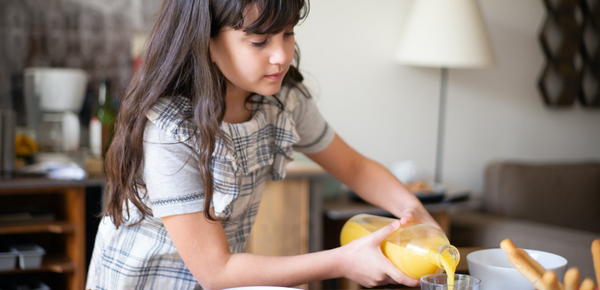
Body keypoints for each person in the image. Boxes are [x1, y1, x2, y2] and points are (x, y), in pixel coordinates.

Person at [86, 0, 441, 289]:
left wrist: (416, 212)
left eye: (287, 34)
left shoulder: (282, 100)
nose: (281, 56)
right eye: (259, 41)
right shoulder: (170, 131)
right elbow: (216, 272)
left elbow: (354, 167)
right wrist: (343, 261)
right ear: (205, 40)